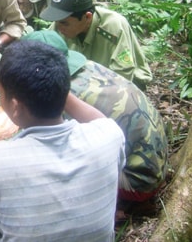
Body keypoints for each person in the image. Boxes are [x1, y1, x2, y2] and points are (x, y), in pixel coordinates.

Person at [0, 39, 125, 242]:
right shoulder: (109, 136)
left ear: (15, 106)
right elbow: (101, 121)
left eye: (0, 93)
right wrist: (54, 88)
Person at [23, 30, 168, 215]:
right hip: (157, 158)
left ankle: (108, 210)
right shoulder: (90, 67)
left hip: (140, 180)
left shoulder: (63, 94)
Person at [40, 0, 152, 90]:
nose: (58, 27)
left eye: (64, 23)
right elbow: (41, 54)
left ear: (87, 17)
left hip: (124, 84)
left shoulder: (113, 26)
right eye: (56, 20)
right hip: (83, 81)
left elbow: (123, 74)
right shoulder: (59, 25)